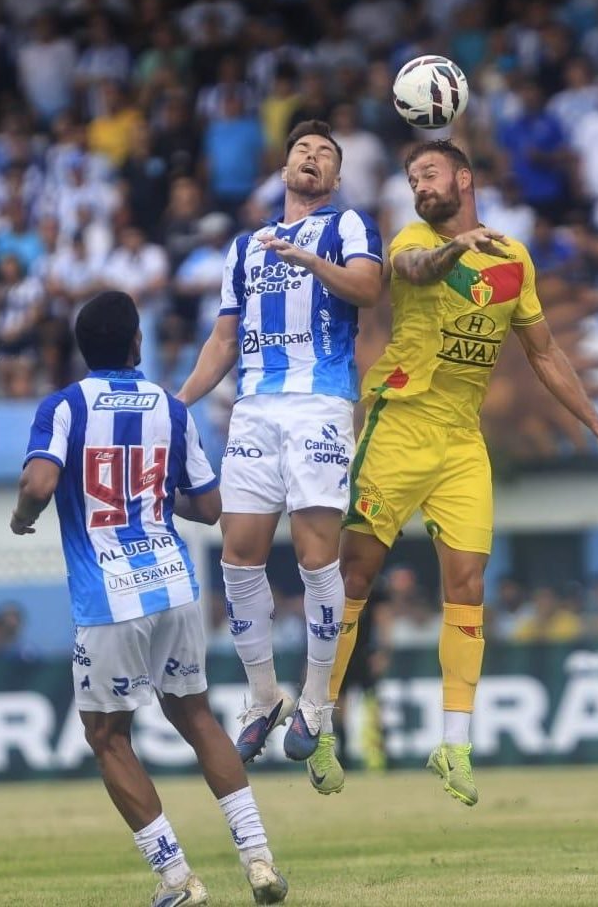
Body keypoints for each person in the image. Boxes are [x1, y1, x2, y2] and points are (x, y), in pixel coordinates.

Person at [316, 139, 598, 806]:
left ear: (464, 177)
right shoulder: (412, 239)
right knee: (356, 574)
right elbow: (419, 268)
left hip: (462, 441)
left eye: (428, 173)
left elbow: (545, 356)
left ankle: (453, 742)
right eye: (410, 178)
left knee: (467, 582)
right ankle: (319, 721)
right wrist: (458, 249)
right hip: (398, 424)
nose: (418, 185)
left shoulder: (514, 259)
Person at [10, 290, 287, 906]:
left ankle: (176, 878)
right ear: (137, 342)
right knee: (196, 717)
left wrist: (23, 516)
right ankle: (259, 859)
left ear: (84, 351)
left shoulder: (62, 407)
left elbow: (41, 480)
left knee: (108, 738)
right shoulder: (170, 408)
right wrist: (159, 498)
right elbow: (209, 507)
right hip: (174, 585)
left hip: (108, 601)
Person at [176, 120, 382, 768]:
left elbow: (369, 290)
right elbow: (222, 340)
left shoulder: (350, 226)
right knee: (239, 558)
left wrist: (311, 262)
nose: (312, 159)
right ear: (284, 168)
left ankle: (318, 701)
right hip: (254, 408)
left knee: (318, 558)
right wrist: (175, 406)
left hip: (319, 404)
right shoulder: (246, 246)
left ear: (336, 176)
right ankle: (264, 696)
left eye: (324, 154)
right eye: (302, 151)